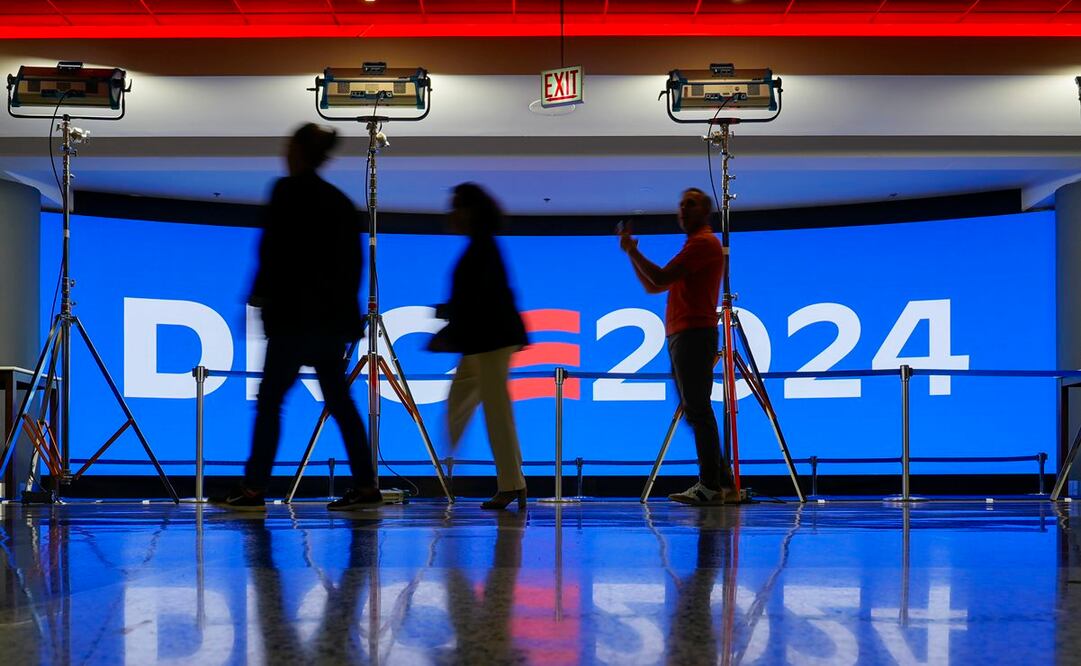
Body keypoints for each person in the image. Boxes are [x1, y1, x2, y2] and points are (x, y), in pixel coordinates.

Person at [213, 123, 381, 511]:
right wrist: (346, 321)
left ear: (299, 152)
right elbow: (351, 266)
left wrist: (257, 298)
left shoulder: (285, 191)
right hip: (328, 323)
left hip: (291, 320)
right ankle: (367, 485)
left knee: (271, 402)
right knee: (340, 403)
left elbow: (272, 252)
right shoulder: (339, 202)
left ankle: (254, 487)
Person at [619, 188, 738, 505]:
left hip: (693, 334)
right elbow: (653, 285)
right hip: (685, 334)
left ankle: (711, 485)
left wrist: (632, 252)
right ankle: (721, 480)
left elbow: (658, 278)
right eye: (681, 204)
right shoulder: (695, 245)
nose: (683, 209)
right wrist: (632, 254)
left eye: (691, 204)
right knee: (696, 409)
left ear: (705, 211)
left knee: (698, 410)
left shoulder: (702, 244)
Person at [430, 183, 529, 510]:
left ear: (470, 212)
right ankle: (502, 479)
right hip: (486, 341)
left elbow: (479, 301)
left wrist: (450, 323)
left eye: (457, 206)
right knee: (473, 402)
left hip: (490, 340)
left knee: (495, 411)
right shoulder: (482, 247)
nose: (452, 214)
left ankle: (511, 485)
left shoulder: (482, 249)